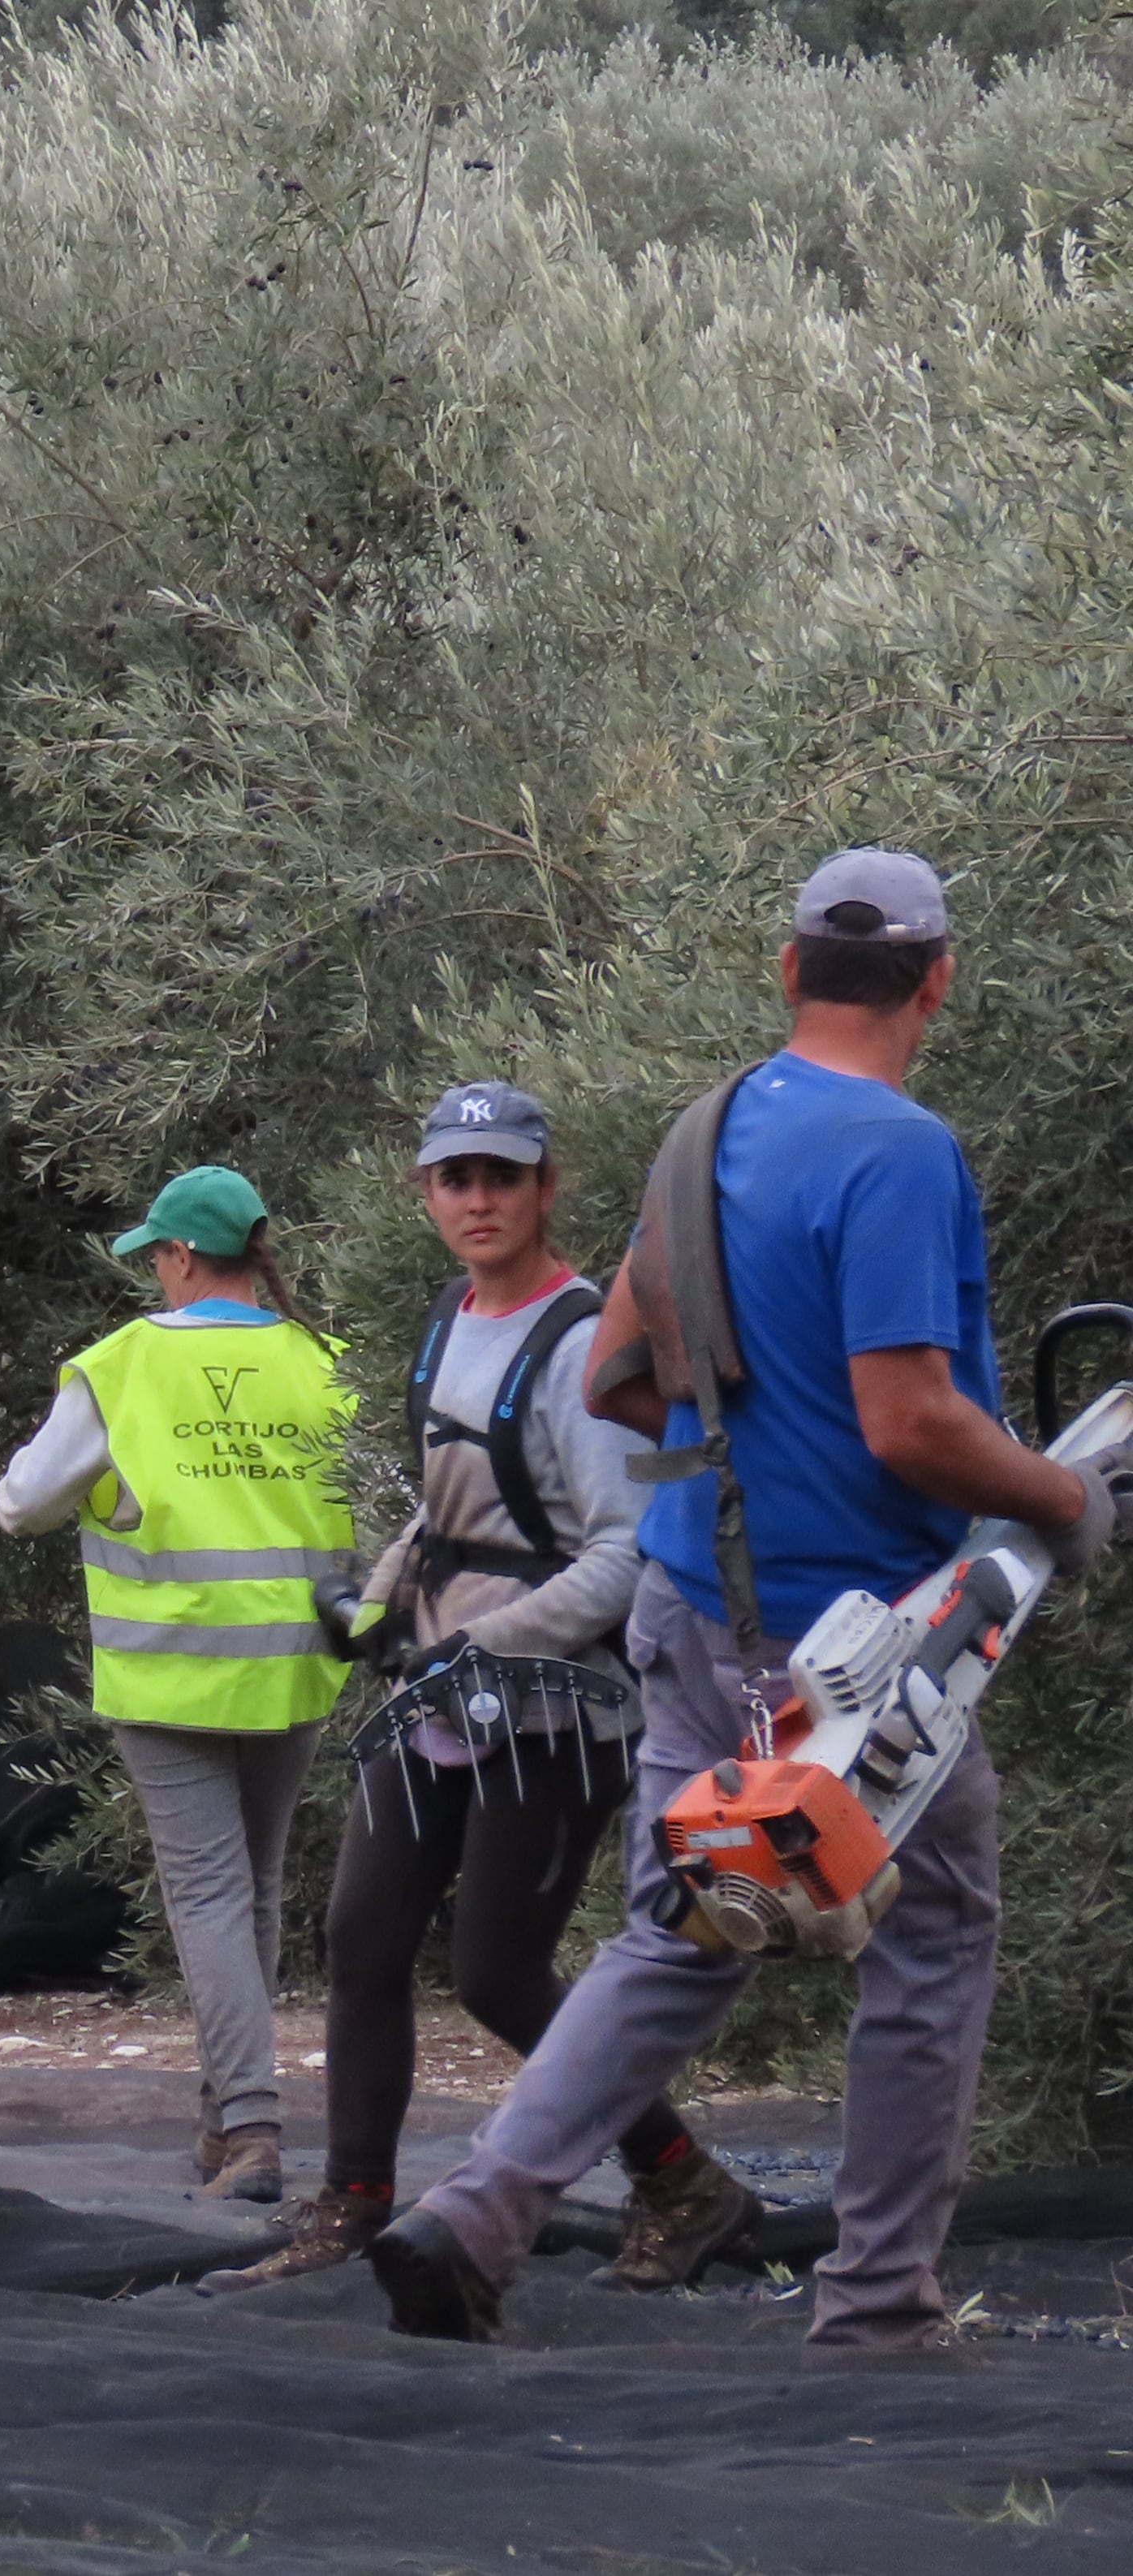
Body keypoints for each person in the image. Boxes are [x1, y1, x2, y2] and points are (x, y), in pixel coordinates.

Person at [373, 852, 1120, 2346]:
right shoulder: (900, 1153)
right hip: (860, 1646)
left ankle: (476, 2212)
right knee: (932, 1937)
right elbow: (910, 1421)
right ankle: (881, 2304)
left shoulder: (699, 1133)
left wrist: (748, 1443)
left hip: (687, 1603)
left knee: (676, 1929)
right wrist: (1062, 1497)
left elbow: (616, 1377)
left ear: (788, 974)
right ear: (939, 981)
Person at [209, 1083, 737, 2292]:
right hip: (438, 1686)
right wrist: (382, 1602)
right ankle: (349, 2208)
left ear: (547, 1186)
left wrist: (488, 1644)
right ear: (427, 1193)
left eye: (503, 1175)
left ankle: (686, 2183)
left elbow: (624, 1548)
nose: (480, 1198)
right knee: (362, 1936)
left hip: (561, 1707)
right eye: (457, 1177)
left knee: (497, 1973)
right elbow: (448, 1502)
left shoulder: (581, 1340)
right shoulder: (453, 1313)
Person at [0, 1163, 353, 2205]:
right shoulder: (322, 1362)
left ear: (183, 1257)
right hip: (291, 1668)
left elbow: (21, 1506)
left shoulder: (119, 1367)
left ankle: (249, 2126)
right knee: (253, 1888)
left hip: (168, 1675)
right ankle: (219, 2121)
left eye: (155, 1254)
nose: (153, 1271)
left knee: (203, 1892)